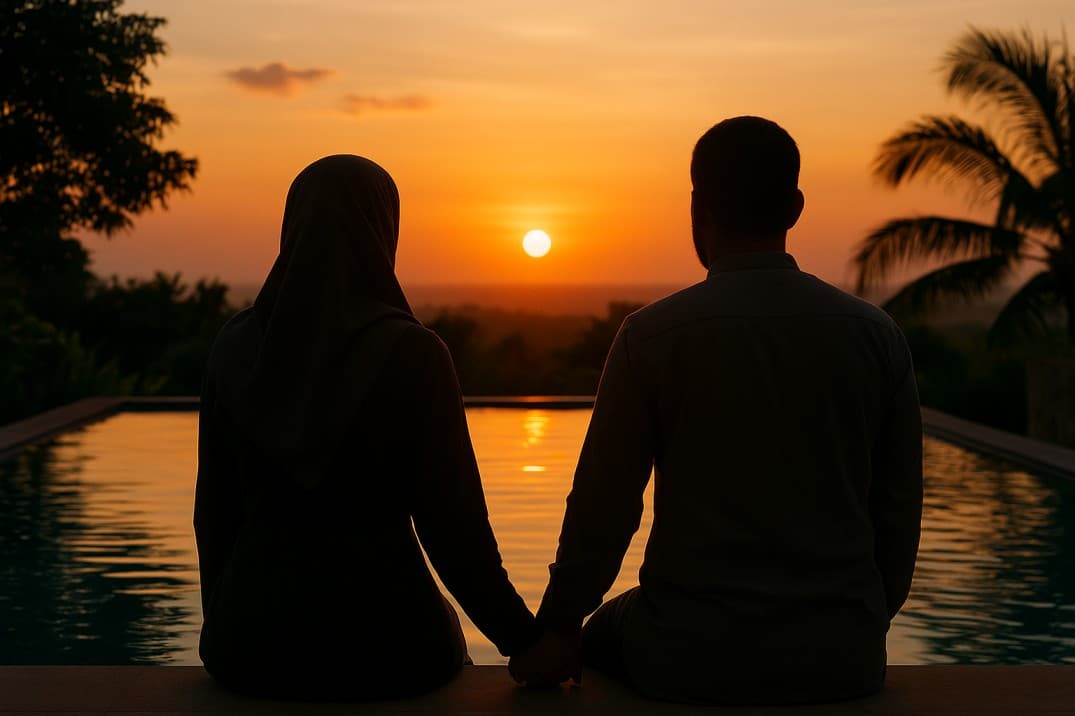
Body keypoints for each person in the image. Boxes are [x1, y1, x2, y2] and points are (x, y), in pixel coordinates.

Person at [508, 117, 923, 705]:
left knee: (600, 633)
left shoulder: (651, 337)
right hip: (842, 657)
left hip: (687, 653)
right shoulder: (876, 337)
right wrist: (862, 622)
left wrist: (555, 628)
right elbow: (898, 511)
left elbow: (605, 506)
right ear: (795, 207)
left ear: (698, 206)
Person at [194, 155, 539, 700]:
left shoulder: (233, 348)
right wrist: (525, 641)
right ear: (383, 230)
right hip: (390, 650)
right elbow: (455, 531)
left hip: (249, 647)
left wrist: (227, 625)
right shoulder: (413, 354)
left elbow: (214, 514)